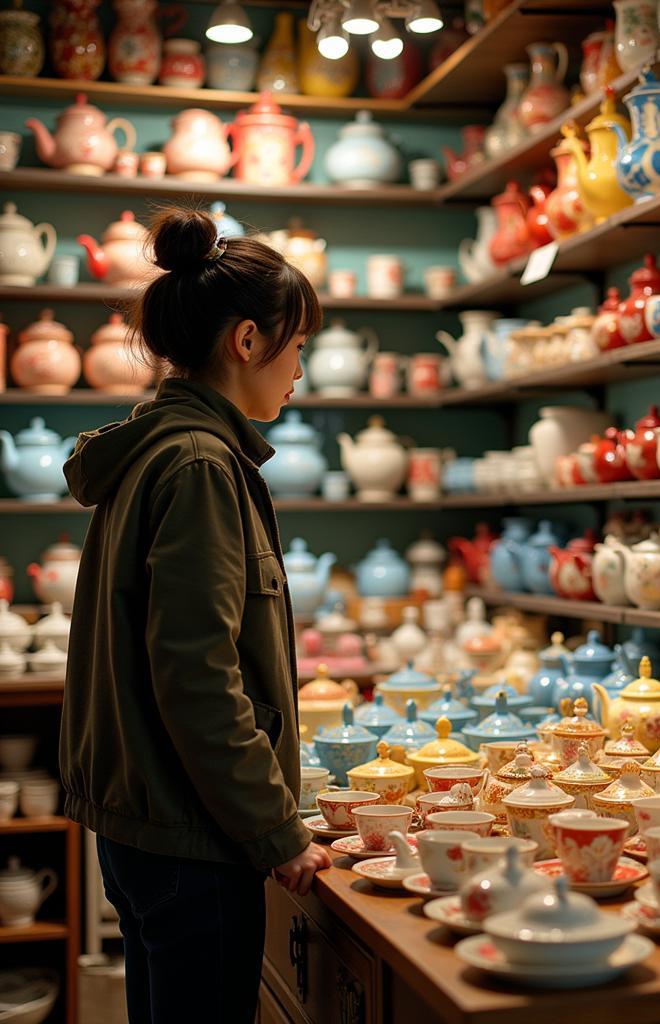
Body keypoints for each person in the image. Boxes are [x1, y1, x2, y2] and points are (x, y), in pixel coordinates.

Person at [59, 208, 334, 1024]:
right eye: (298, 346)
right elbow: (198, 677)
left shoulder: (154, 449)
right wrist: (276, 830)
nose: (300, 370)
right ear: (247, 341)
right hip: (194, 836)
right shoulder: (200, 465)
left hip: (149, 828)